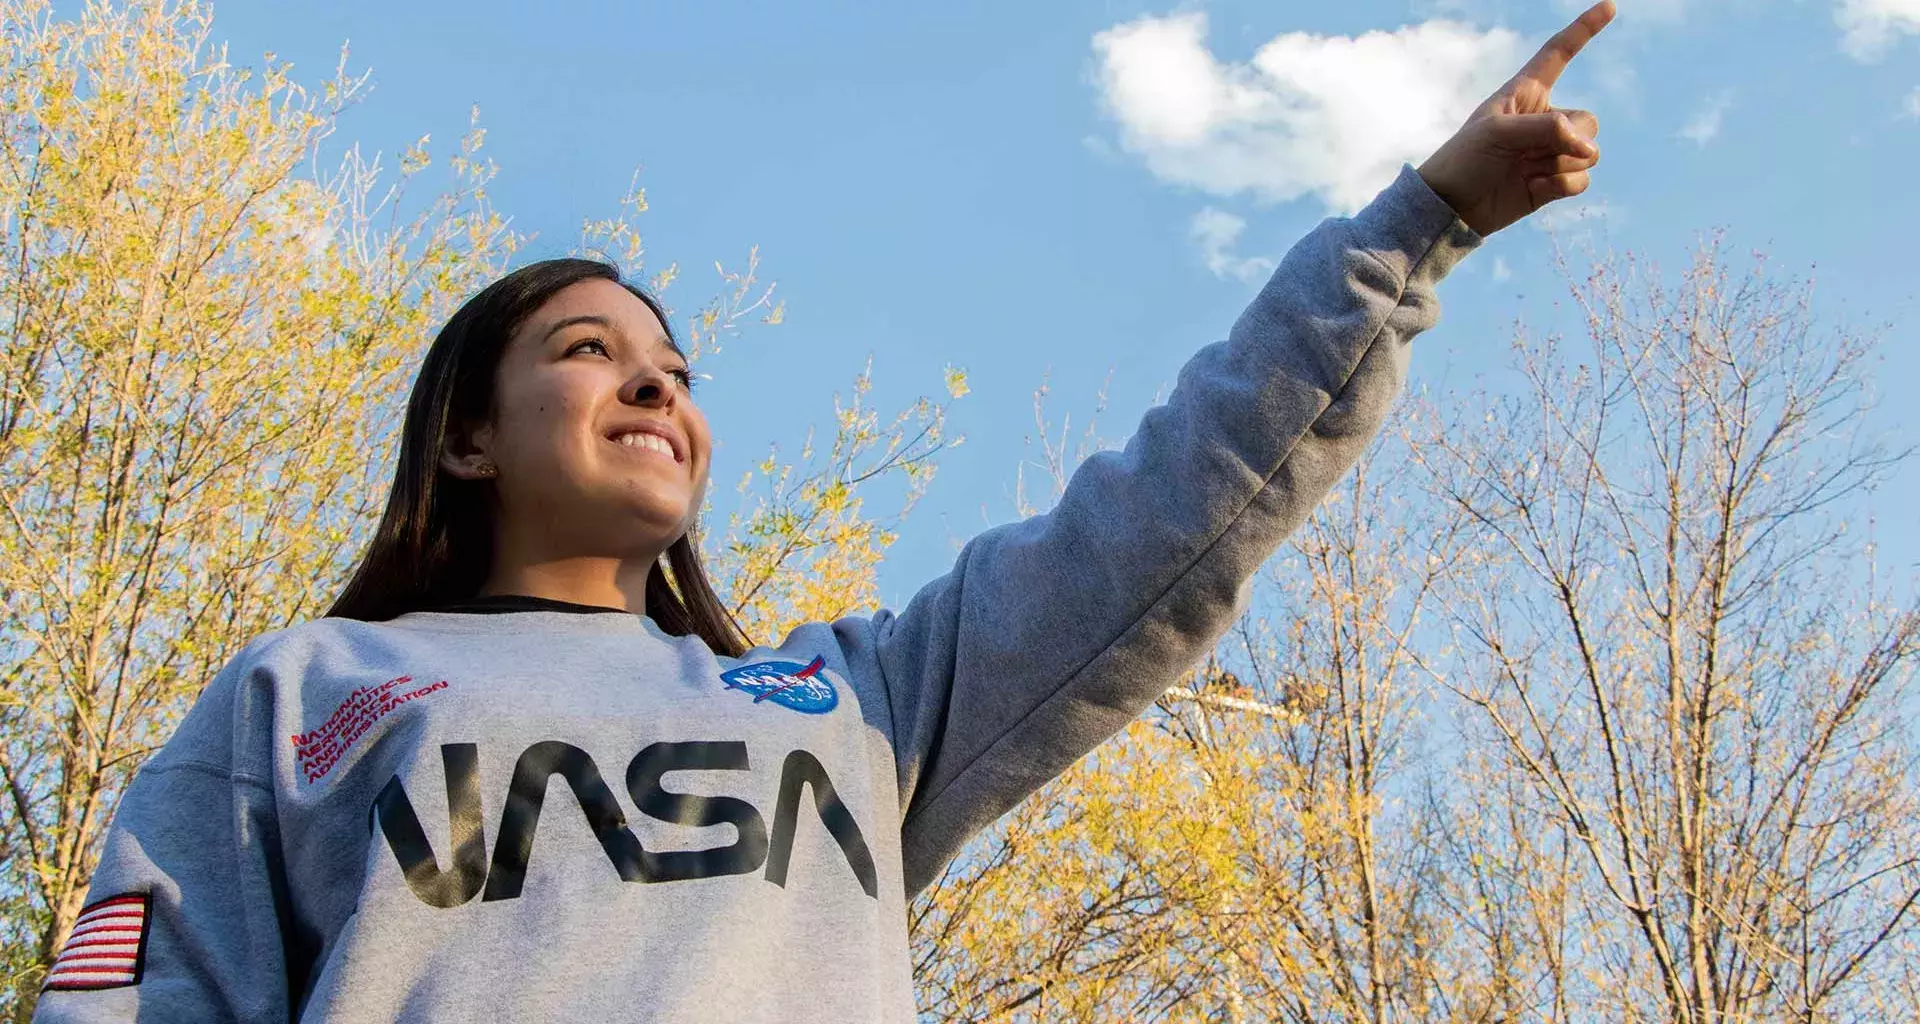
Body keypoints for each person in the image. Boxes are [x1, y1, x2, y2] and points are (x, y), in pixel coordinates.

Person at [32, 3, 1614, 1020]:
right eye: (591, 354)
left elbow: (1173, 509)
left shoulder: (854, 707)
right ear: (464, 438)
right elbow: (132, 999)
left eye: (675, 366)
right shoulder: (306, 695)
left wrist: (1426, 222)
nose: (657, 387)